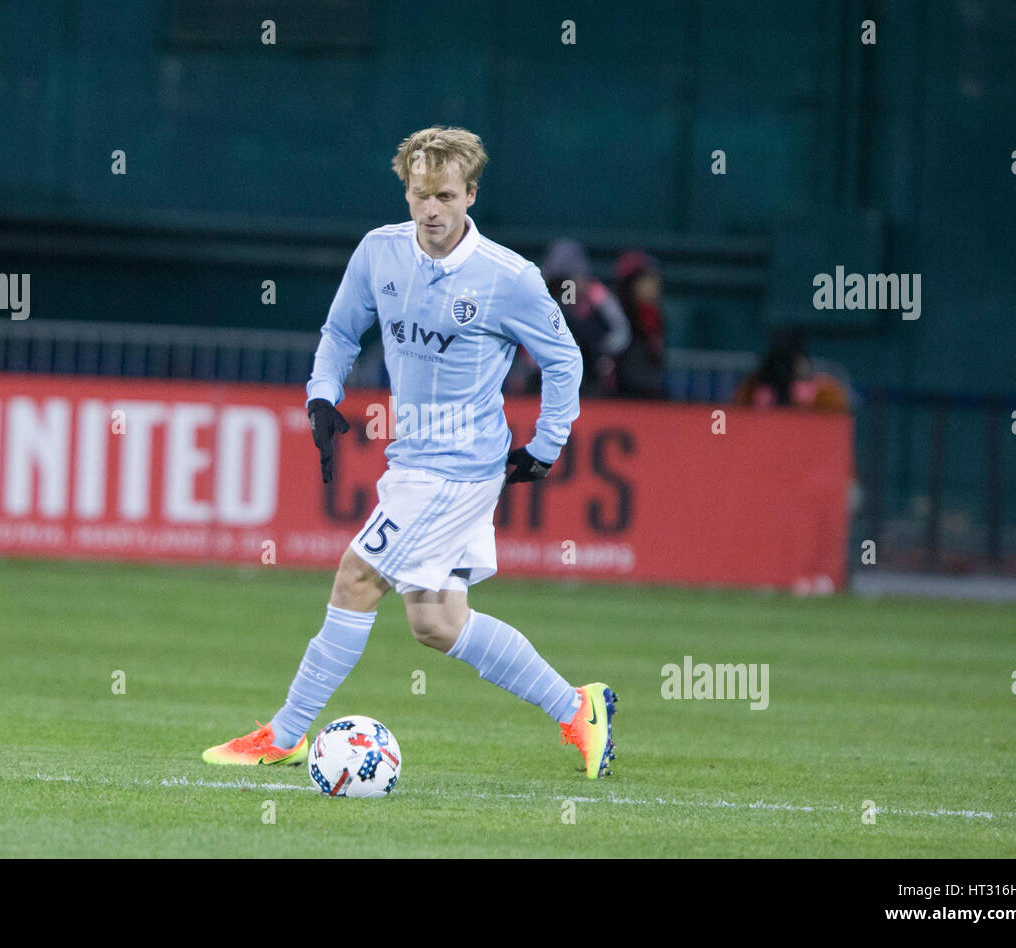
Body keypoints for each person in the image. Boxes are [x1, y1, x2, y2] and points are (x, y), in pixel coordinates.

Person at [202, 126, 617, 778]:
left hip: (460, 468)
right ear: (406, 190)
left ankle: (283, 735)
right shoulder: (379, 252)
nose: (430, 210)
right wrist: (321, 395)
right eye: (420, 194)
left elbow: (564, 357)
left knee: (357, 576)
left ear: (470, 194)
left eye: (445, 195)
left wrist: (547, 443)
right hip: (414, 462)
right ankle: (577, 708)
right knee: (437, 622)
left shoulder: (509, 278)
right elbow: (341, 330)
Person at [540, 238, 631, 397]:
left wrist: (603, 351)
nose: (568, 287)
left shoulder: (597, 294)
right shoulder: (549, 299)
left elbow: (620, 330)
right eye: (562, 281)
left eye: (571, 279)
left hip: (593, 371)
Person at [612, 250, 667, 399]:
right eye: (647, 280)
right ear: (630, 285)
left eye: (656, 280)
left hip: (647, 400)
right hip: (622, 399)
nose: (654, 286)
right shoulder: (617, 320)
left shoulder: (653, 318)